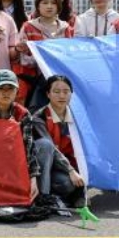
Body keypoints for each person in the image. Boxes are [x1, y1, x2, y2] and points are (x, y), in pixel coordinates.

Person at [0, 69, 40, 205]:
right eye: (1, 88)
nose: (5, 92)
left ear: (17, 91)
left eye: (10, 88)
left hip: (12, 168)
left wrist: (33, 179)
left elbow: (28, 149)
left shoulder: (23, 114)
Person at [31, 75, 87, 207]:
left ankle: (68, 196)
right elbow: (51, 149)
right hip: (45, 167)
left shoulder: (79, 116)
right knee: (46, 145)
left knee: (69, 183)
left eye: (66, 91)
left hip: (66, 167)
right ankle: (43, 197)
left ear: (71, 94)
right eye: (56, 91)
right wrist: (71, 170)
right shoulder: (39, 117)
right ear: (48, 94)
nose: (62, 96)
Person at [15, 0, 74, 109]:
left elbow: (70, 55)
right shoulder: (28, 27)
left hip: (60, 82)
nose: (49, 6)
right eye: (45, 2)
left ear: (58, 6)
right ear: (38, 5)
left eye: (53, 3)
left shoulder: (65, 28)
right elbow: (24, 60)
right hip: (34, 82)